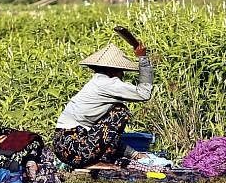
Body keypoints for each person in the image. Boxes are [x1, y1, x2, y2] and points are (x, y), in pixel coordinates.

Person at [53, 31, 153, 169]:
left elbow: (107, 136)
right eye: (121, 71)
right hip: (74, 147)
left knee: (115, 112)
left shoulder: (98, 83)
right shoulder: (107, 84)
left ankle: (97, 160)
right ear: (113, 71)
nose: (122, 75)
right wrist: (143, 59)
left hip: (65, 145)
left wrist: (134, 154)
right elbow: (144, 93)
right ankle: (96, 162)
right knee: (120, 112)